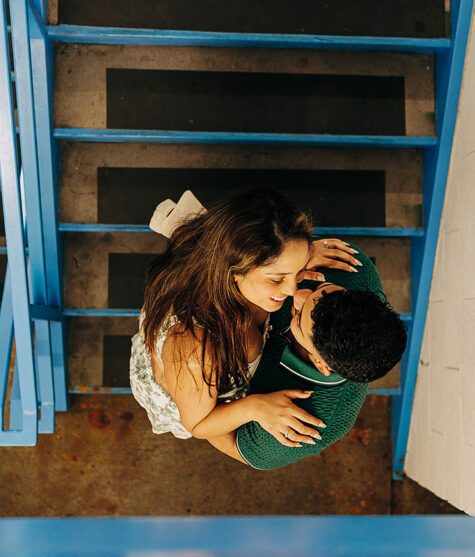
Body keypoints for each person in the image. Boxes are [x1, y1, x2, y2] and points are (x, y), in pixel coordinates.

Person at [129, 187, 360, 449]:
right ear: (233, 271)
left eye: (298, 270)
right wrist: (254, 407)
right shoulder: (193, 346)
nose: (293, 290)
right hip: (186, 389)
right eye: (277, 278)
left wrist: (295, 257)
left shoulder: (243, 277)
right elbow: (198, 424)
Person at [208, 243, 408, 469]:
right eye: (321, 289)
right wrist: (297, 254)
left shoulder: (313, 423)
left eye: (299, 316)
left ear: (320, 364)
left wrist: (249, 407)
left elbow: (234, 445)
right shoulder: (353, 272)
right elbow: (263, 239)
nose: (298, 293)